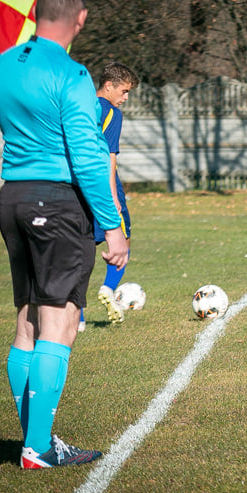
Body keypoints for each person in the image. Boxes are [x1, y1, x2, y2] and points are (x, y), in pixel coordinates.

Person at [0, 0, 128, 469]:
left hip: (12, 201)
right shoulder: (73, 74)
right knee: (58, 322)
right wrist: (112, 225)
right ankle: (38, 447)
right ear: (79, 19)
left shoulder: (2, 63)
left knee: (27, 320)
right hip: (57, 203)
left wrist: (10, 77)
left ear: (36, 12)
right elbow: (87, 154)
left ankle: (35, 438)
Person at [78, 62, 140, 331]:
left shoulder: (78, 108)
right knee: (122, 244)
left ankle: (77, 317)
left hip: (75, 186)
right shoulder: (111, 112)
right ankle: (108, 287)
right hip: (104, 184)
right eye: (124, 91)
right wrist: (112, 197)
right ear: (108, 85)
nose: (125, 97)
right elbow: (109, 156)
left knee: (79, 251)